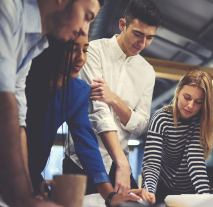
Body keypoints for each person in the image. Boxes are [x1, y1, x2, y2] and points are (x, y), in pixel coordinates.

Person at [0, 0, 104, 207]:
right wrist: (23, 200)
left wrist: (28, 195)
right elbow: (1, 97)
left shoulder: (35, 43)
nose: (84, 29)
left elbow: (18, 119)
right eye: (87, 16)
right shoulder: (6, 7)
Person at [26, 35, 155, 207]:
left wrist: (110, 196)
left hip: (31, 171)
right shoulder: (22, 81)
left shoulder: (77, 92)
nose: (81, 58)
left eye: (85, 50)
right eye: (73, 50)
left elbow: (86, 143)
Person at [64, 0, 163, 195]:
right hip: (81, 162)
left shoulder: (147, 72)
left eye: (150, 37)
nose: (142, 43)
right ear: (122, 25)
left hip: (118, 167)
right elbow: (97, 111)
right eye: (138, 34)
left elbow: (141, 126)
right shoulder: (92, 50)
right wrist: (122, 163)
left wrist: (115, 99)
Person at [141, 70, 213, 204]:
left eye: (198, 102)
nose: (190, 106)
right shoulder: (161, 118)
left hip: (188, 192)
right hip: (160, 188)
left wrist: (205, 197)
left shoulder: (199, 122)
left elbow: (196, 162)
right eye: (187, 97)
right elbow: (152, 162)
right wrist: (150, 190)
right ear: (178, 92)